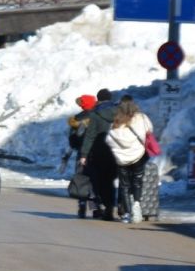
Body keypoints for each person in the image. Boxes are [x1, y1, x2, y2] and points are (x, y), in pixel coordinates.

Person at [105, 95, 152, 223]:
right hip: (139, 155)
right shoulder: (142, 117)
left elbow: (109, 139)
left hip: (122, 158)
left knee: (124, 185)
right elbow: (149, 131)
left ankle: (127, 213)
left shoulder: (117, 120)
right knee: (137, 181)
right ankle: (136, 204)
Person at [79, 89, 118, 221]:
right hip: (117, 152)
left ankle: (96, 208)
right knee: (111, 181)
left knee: (95, 183)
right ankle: (111, 207)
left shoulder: (94, 115)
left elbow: (89, 136)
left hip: (98, 153)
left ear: (98, 99)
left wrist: (83, 154)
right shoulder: (119, 112)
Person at [64, 94, 98, 218]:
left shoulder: (76, 120)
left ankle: (82, 205)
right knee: (94, 181)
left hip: (81, 155)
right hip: (95, 154)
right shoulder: (97, 117)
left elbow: (72, 141)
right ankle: (94, 208)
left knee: (82, 179)